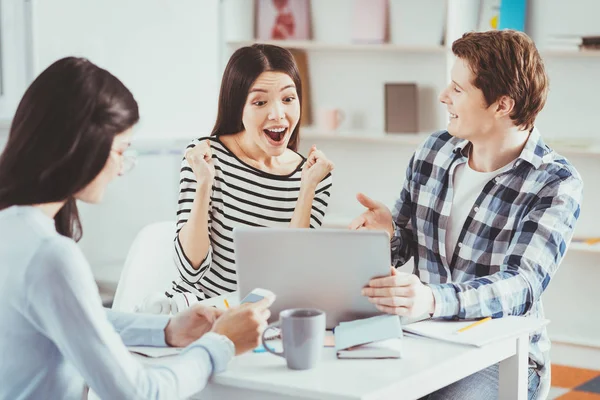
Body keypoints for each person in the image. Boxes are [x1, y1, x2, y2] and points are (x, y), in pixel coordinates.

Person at [0, 56, 273, 399]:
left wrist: (169, 329)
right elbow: (139, 393)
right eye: (120, 151)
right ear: (82, 145)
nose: (121, 169)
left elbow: (78, 318)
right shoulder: (49, 255)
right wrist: (221, 344)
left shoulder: (12, 228)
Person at [351, 30, 583, 400]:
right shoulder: (435, 150)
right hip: (423, 336)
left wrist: (431, 299)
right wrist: (387, 233)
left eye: (458, 89)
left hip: (503, 356)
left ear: (502, 105)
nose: (444, 95)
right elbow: (405, 243)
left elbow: (521, 286)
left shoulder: (555, 182)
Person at [170, 44, 334, 301]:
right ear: (239, 108)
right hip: (201, 312)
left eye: (288, 99)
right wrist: (204, 183)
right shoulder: (205, 156)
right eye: (260, 102)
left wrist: (307, 188)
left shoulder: (314, 174)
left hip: (265, 319)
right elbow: (190, 272)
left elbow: (292, 276)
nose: (278, 114)